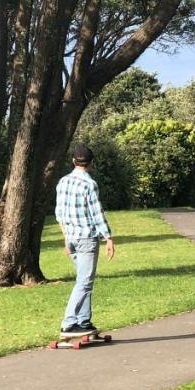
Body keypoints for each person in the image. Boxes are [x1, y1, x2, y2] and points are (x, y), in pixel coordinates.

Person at [54, 144, 116, 336]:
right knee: (84, 281)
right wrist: (109, 238)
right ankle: (69, 323)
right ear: (91, 163)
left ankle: (84, 321)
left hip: (71, 237)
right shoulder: (89, 184)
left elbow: (59, 214)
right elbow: (96, 213)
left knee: (84, 280)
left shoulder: (63, 182)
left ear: (74, 161)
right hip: (86, 238)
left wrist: (65, 238)